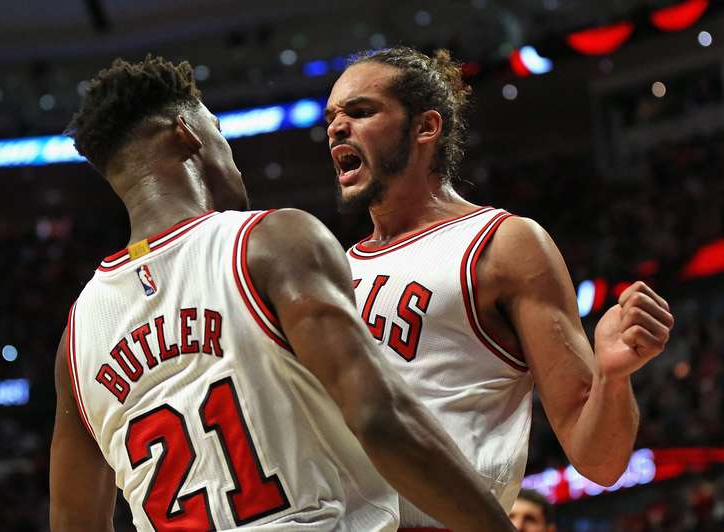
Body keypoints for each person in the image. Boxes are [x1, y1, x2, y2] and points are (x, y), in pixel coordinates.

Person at [48, 55, 514, 532]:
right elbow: (380, 419)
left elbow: (72, 523)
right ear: (188, 133)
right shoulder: (272, 244)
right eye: (219, 131)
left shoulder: (77, 338)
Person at [325, 46, 675, 529]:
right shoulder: (337, 270)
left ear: (426, 127)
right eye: (332, 118)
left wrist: (613, 377)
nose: (337, 128)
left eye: (361, 112)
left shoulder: (503, 244)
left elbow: (601, 461)